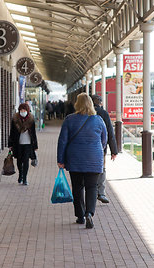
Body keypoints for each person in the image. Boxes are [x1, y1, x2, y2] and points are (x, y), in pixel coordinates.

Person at [57, 93, 107, 229]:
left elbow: (63, 141)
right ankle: (89, 213)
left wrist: (60, 159)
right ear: (91, 104)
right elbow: (104, 140)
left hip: (75, 158)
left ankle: (80, 216)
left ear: (77, 104)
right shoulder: (98, 120)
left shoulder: (69, 119)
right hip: (94, 158)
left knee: (78, 187)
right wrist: (97, 151)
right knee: (92, 187)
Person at [91, 94, 118, 204]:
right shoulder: (103, 113)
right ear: (100, 103)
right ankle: (101, 192)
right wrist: (114, 150)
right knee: (101, 168)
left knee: (87, 170)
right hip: (100, 147)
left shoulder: (83, 113)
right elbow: (110, 133)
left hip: (84, 147)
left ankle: (89, 191)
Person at [8, 103, 38, 186]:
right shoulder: (15, 119)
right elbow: (12, 132)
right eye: (21, 110)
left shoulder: (31, 120)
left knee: (26, 161)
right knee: (19, 160)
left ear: (27, 111)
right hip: (18, 143)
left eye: (24, 110)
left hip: (28, 143)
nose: (23, 112)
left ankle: (25, 178)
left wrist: (35, 146)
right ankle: (20, 174)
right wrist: (10, 144)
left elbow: (34, 133)